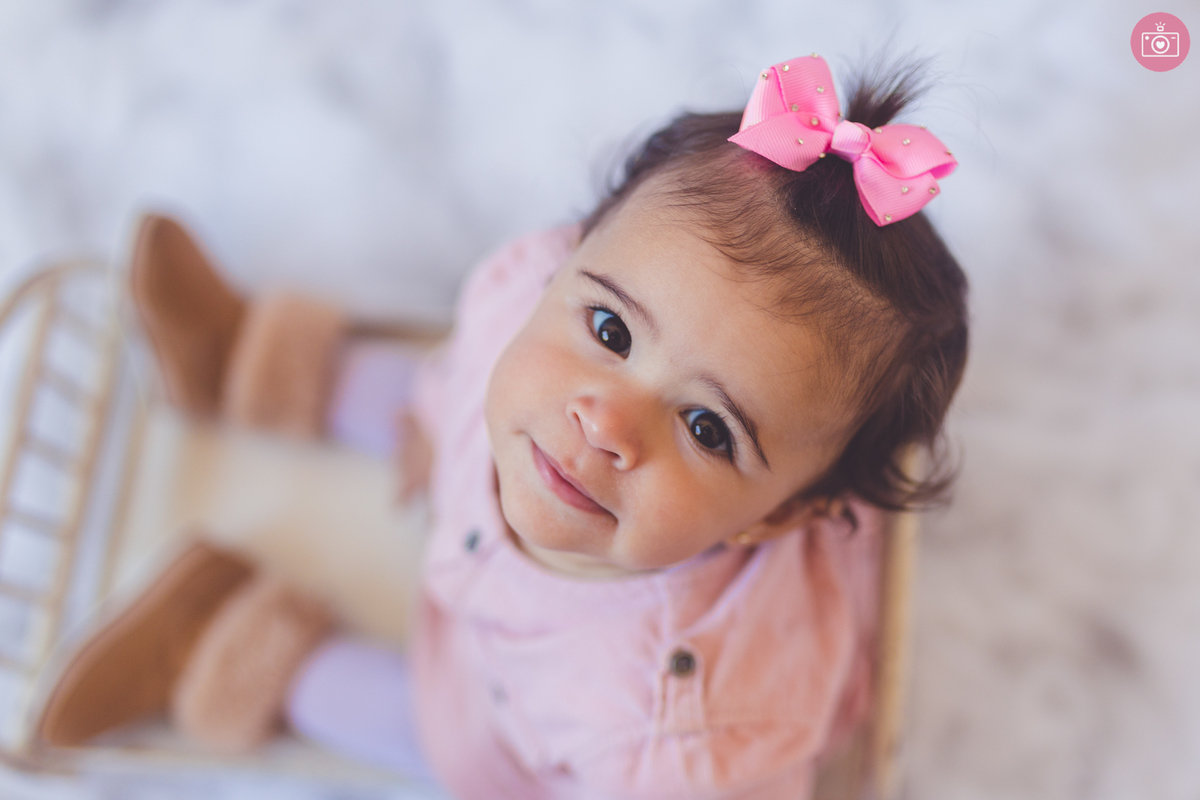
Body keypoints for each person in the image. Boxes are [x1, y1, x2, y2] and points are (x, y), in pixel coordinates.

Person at [35, 54, 968, 799]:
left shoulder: (675, 740)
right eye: (610, 330)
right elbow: (482, 357)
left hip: (520, 709)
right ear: (573, 256)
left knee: (438, 735)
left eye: (706, 428)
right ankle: (249, 363)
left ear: (769, 520)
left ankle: (219, 639)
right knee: (457, 386)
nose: (604, 420)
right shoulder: (526, 298)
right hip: (482, 503)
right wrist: (437, 411)